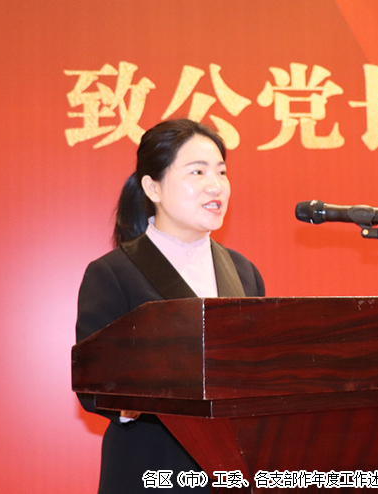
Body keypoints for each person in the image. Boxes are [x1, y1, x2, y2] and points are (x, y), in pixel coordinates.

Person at [75, 119, 265, 494]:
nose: (216, 185)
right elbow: (93, 383)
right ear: (153, 187)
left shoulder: (244, 271)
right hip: (152, 468)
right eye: (197, 171)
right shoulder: (113, 273)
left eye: (221, 172)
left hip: (232, 472)